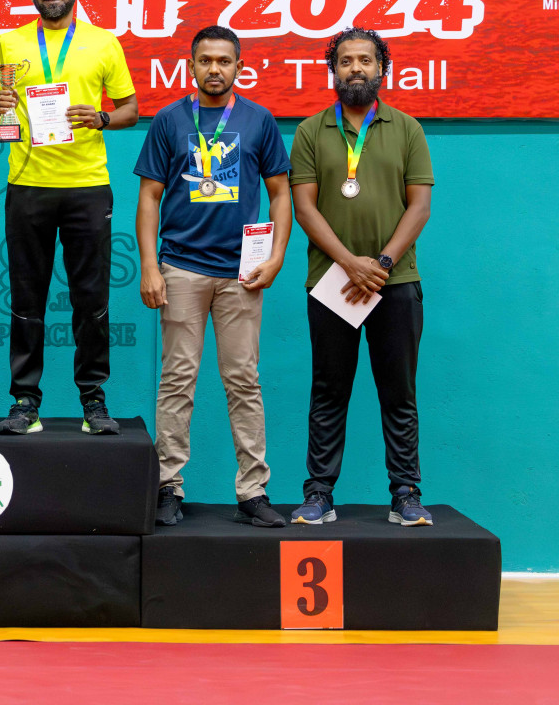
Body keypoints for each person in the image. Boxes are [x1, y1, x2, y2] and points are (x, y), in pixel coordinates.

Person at [134, 26, 292, 527]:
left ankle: (253, 491)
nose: (215, 69)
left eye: (224, 61)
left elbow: (282, 194)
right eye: (206, 61)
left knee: (243, 380)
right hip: (180, 267)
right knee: (177, 380)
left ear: (238, 67)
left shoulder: (258, 121)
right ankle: (168, 486)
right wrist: (149, 265)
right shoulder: (168, 121)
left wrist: (278, 256)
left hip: (241, 275)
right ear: (192, 66)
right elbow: (149, 198)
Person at [0, 0, 138, 435]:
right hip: (27, 186)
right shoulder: (8, 44)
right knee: (27, 297)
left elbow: (131, 108)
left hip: (88, 187)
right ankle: (25, 401)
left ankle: (93, 400)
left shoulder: (104, 43)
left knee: (91, 299)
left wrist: (103, 117)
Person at [288, 27, 435, 526]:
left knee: (399, 392)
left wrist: (383, 264)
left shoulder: (407, 128)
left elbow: (419, 207)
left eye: (365, 61)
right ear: (334, 70)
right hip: (332, 284)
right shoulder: (311, 131)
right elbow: (305, 208)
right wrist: (351, 263)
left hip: (395, 283)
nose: (355, 69)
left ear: (381, 69)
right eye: (346, 60)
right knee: (329, 390)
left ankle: (406, 494)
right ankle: (318, 493)